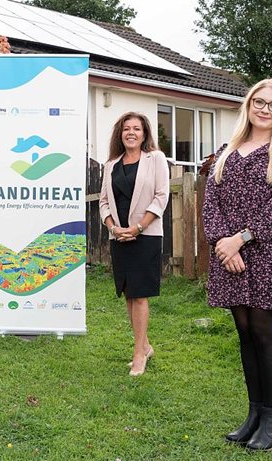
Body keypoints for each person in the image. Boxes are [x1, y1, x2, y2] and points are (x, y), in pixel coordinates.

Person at [202, 79, 272, 452]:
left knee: (263, 333)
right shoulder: (226, 152)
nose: (264, 109)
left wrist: (239, 240)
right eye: (258, 102)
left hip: (266, 254)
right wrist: (222, 245)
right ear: (248, 105)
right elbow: (210, 203)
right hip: (230, 258)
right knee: (244, 334)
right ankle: (254, 414)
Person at [99, 112, 169, 377]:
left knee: (140, 295)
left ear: (144, 134)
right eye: (126, 128)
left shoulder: (156, 159)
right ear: (120, 134)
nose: (131, 133)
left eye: (136, 129)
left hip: (146, 235)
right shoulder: (111, 165)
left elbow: (161, 196)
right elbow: (104, 201)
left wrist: (138, 227)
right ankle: (145, 345)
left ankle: (139, 354)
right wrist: (113, 228)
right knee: (129, 294)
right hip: (119, 237)